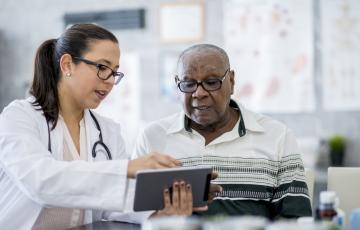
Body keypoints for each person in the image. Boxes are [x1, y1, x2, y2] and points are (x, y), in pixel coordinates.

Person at [0, 24, 202, 230]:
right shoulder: (18, 117)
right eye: (102, 68)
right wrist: (127, 168)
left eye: (115, 72)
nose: (110, 81)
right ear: (67, 65)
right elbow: (41, 181)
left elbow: (116, 201)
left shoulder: (107, 131)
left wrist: (161, 212)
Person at [133, 44, 312, 219]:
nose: (199, 93)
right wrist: (161, 215)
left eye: (211, 83)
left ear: (231, 82)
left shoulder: (277, 136)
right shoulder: (152, 138)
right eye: (188, 84)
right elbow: (131, 215)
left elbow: (295, 220)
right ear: (177, 84)